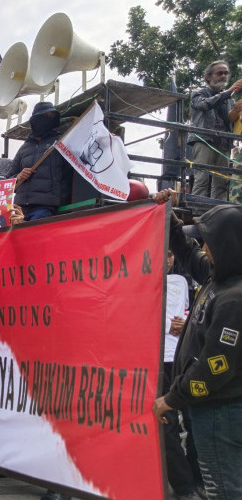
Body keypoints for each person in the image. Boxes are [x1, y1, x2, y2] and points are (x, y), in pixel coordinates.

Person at [153, 189, 242, 499]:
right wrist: (170, 215)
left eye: (211, 242)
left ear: (228, 245)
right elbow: (189, 251)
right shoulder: (219, 277)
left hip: (222, 411)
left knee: (224, 490)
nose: (205, 247)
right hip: (210, 408)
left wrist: (171, 399)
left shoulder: (234, 297)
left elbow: (215, 366)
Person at [161, 250, 205, 500]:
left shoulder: (181, 281)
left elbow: (190, 312)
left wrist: (185, 324)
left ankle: (197, 477)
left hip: (183, 358)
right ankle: (184, 485)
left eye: (170, 255)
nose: (167, 259)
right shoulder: (142, 279)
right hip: (156, 360)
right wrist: (170, 326)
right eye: (163, 254)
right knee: (168, 425)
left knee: (191, 418)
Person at [7, 102, 73, 222]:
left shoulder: (61, 143)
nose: (47, 120)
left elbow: (70, 173)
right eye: (44, 116)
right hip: (19, 206)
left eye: (51, 117)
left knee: (34, 238)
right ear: (35, 120)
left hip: (45, 206)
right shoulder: (24, 148)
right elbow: (8, 178)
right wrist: (18, 176)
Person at [188, 60, 242, 201]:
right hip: (204, 140)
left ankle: (219, 212)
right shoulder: (198, 93)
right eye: (220, 73)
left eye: (226, 73)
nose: (224, 75)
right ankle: (197, 212)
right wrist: (229, 92)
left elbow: (228, 119)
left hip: (223, 143)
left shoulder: (228, 98)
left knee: (221, 182)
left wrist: (236, 109)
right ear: (208, 77)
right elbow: (205, 105)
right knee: (202, 179)